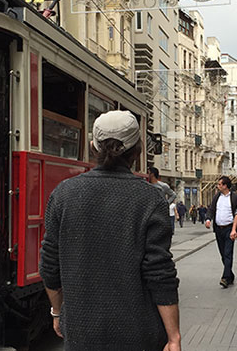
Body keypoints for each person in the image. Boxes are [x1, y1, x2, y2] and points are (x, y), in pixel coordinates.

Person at [39, 110, 180, 350]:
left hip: (82, 333)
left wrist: (57, 311)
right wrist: (173, 336)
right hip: (139, 333)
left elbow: (50, 267)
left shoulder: (63, 194)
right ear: (138, 150)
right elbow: (160, 273)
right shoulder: (151, 199)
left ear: (94, 147)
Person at [205, 176, 237, 288]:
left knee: (227, 253)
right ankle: (230, 274)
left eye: (220, 184)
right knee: (222, 253)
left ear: (225, 186)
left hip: (230, 228)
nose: (218, 186)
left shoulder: (235, 198)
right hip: (218, 229)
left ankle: (225, 278)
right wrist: (208, 219)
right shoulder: (217, 197)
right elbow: (211, 209)